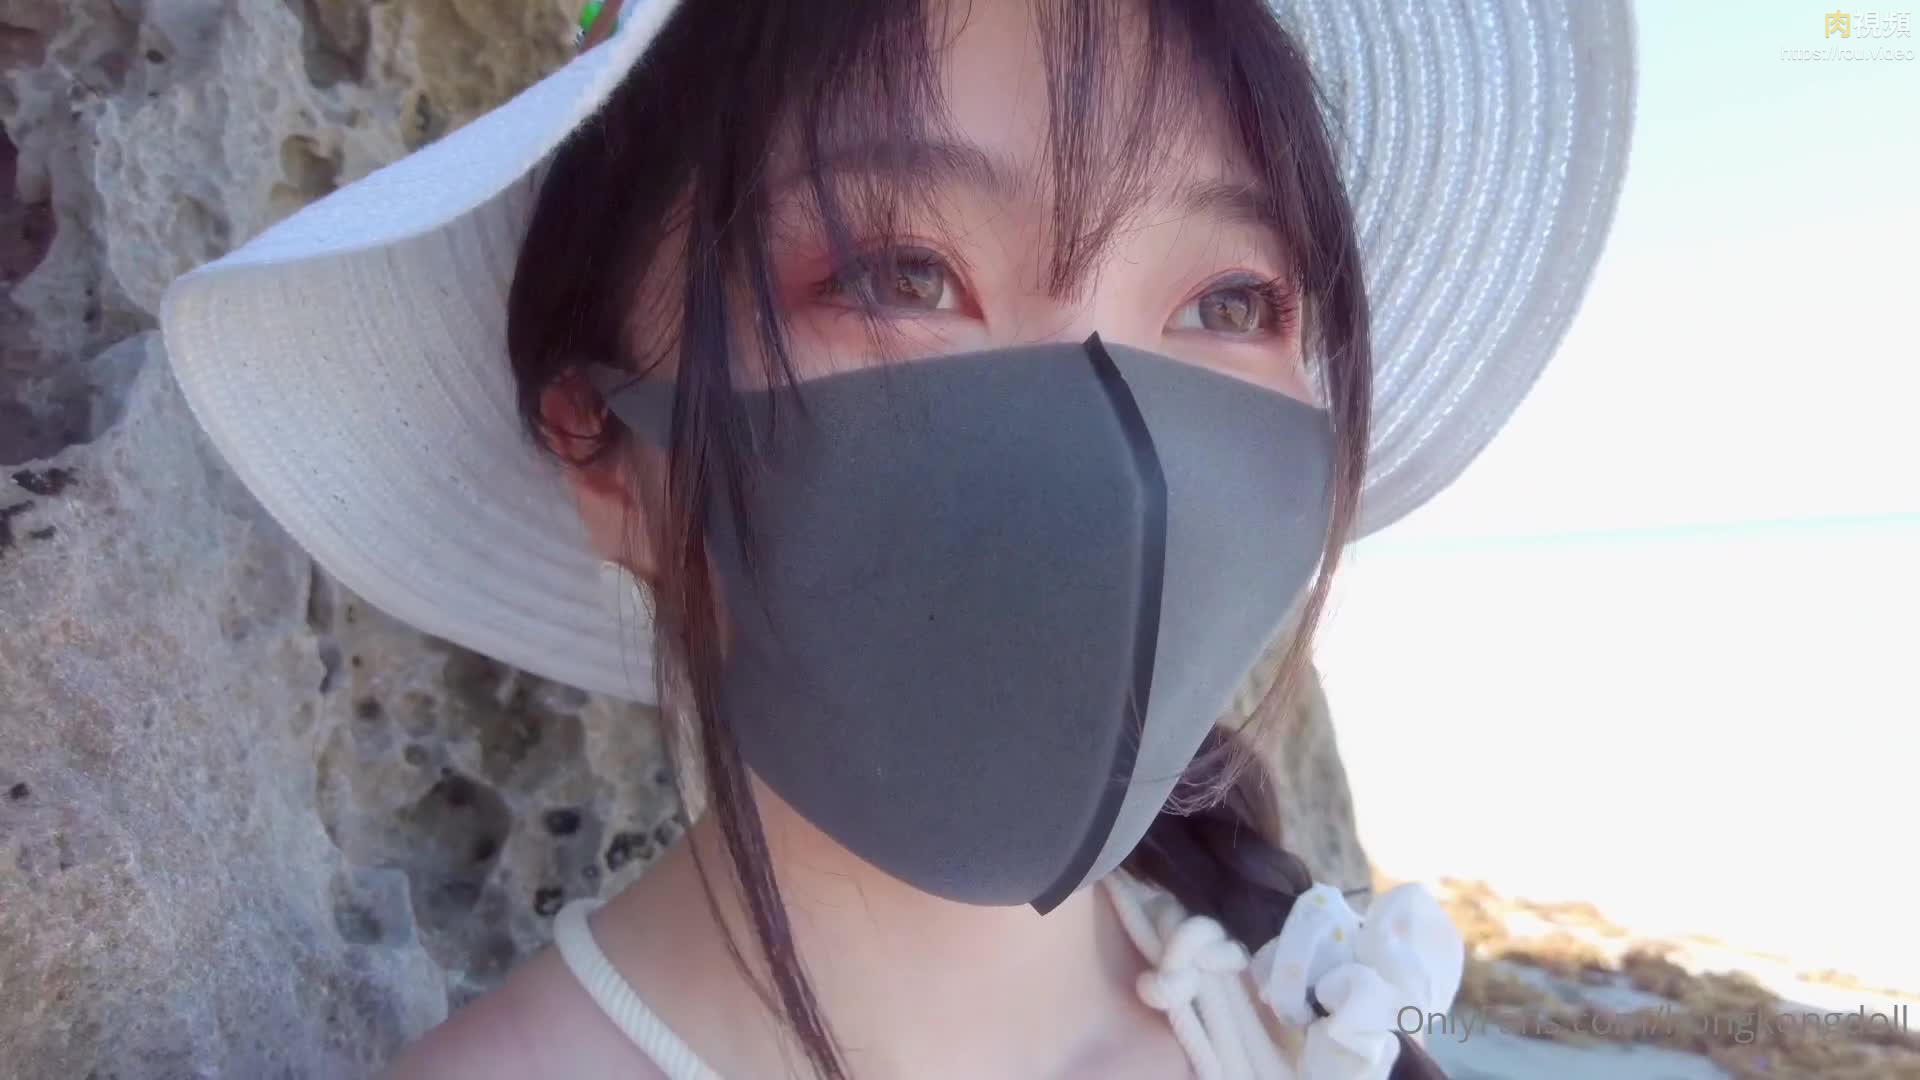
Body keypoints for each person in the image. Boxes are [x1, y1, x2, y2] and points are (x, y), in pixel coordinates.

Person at [157, 0, 1634, 1076]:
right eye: (898, 272)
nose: (1118, 449)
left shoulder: (1289, 1001)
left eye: (1229, 302)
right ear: (604, 450)